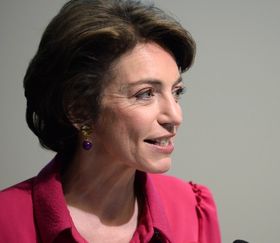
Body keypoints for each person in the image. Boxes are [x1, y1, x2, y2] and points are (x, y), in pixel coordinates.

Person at [0, 0, 221, 242]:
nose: (175, 116)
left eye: (177, 91)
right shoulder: (6, 220)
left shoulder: (192, 208)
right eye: (145, 94)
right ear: (79, 110)